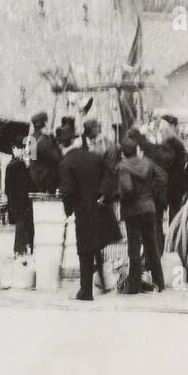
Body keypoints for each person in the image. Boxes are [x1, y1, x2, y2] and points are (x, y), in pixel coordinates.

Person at [59, 118, 120, 301]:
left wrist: (68, 210)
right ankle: (101, 280)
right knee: (95, 246)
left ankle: (86, 291)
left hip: (84, 212)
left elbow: (68, 192)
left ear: (62, 144)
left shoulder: (66, 163)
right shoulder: (93, 156)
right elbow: (110, 175)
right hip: (99, 209)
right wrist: (103, 195)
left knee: (84, 250)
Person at [130, 114, 185, 253]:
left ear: (168, 131)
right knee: (171, 224)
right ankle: (172, 253)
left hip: (166, 192)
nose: (160, 134)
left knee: (159, 225)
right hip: (173, 192)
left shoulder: (171, 147)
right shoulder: (176, 146)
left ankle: (162, 255)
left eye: (162, 131)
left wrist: (139, 136)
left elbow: (155, 151)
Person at [117, 136, 165, 294]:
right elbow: (162, 177)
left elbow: (128, 190)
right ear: (136, 149)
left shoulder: (123, 166)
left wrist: (123, 198)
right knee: (152, 246)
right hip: (149, 208)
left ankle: (134, 287)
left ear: (124, 152)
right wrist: (151, 193)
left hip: (133, 211)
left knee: (134, 249)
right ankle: (160, 283)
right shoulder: (147, 162)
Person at [4, 140, 35, 256]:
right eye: (19, 149)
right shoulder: (19, 165)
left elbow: (7, 188)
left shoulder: (12, 165)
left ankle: (20, 249)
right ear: (13, 149)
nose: (21, 151)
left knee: (21, 224)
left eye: (22, 149)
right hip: (22, 201)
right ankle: (22, 248)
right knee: (24, 225)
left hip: (16, 201)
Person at [29, 111, 61, 195]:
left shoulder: (32, 138)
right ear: (44, 123)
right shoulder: (44, 140)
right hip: (46, 182)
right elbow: (56, 157)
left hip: (35, 179)